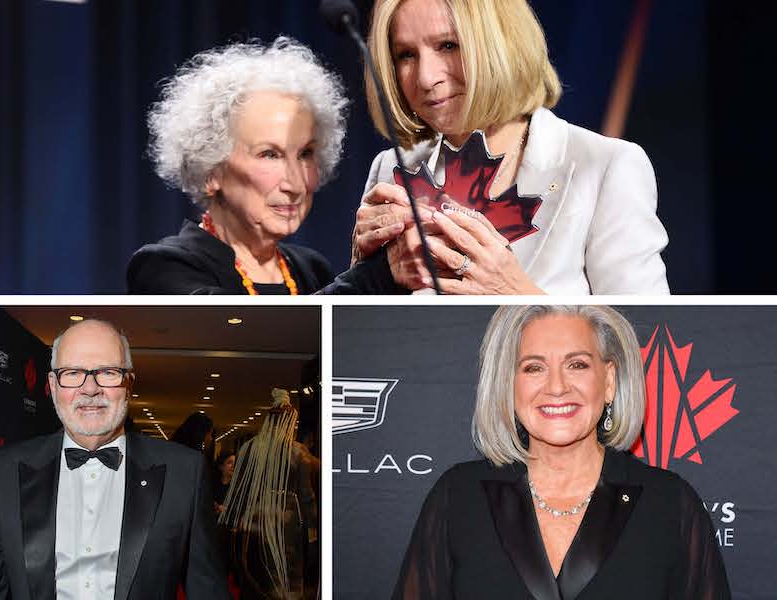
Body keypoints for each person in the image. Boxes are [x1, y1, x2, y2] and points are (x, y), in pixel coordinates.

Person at [393, 305, 730, 599]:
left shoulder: (670, 502)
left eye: (577, 365)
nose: (556, 387)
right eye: (533, 368)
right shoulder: (459, 496)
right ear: (508, 384)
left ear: (609, 381)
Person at [354, 0, 670, 294]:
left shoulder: (606, 167)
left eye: (448, 45)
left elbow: (647, 336)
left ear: (501, 44)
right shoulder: (391, 170)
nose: (425, 78)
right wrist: (364, 274)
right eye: (405, 55)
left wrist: (516, 293)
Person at [0, 319, 229, 600]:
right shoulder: (5, 469)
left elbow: (208, 590)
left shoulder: (184, 471)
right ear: (52, 384)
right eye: (72, 373)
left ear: (129, 383)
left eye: (108, 372)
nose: (90, 388)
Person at [127, 37, 402, 295]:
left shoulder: (311, 270)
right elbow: (248, 335)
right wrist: (373, 275)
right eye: (270, 154)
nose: (294, 185)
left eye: (306, 153)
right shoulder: (164, 267)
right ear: (211, 170)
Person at [219, 389, 317, 599]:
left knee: (255, 577)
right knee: (284, 581)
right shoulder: (298, 452)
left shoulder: (248, 448)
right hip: (286, 525)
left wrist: (233, 523)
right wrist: (313, 532)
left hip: (253, 521)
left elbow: (238, 490)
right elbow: (307, 498)